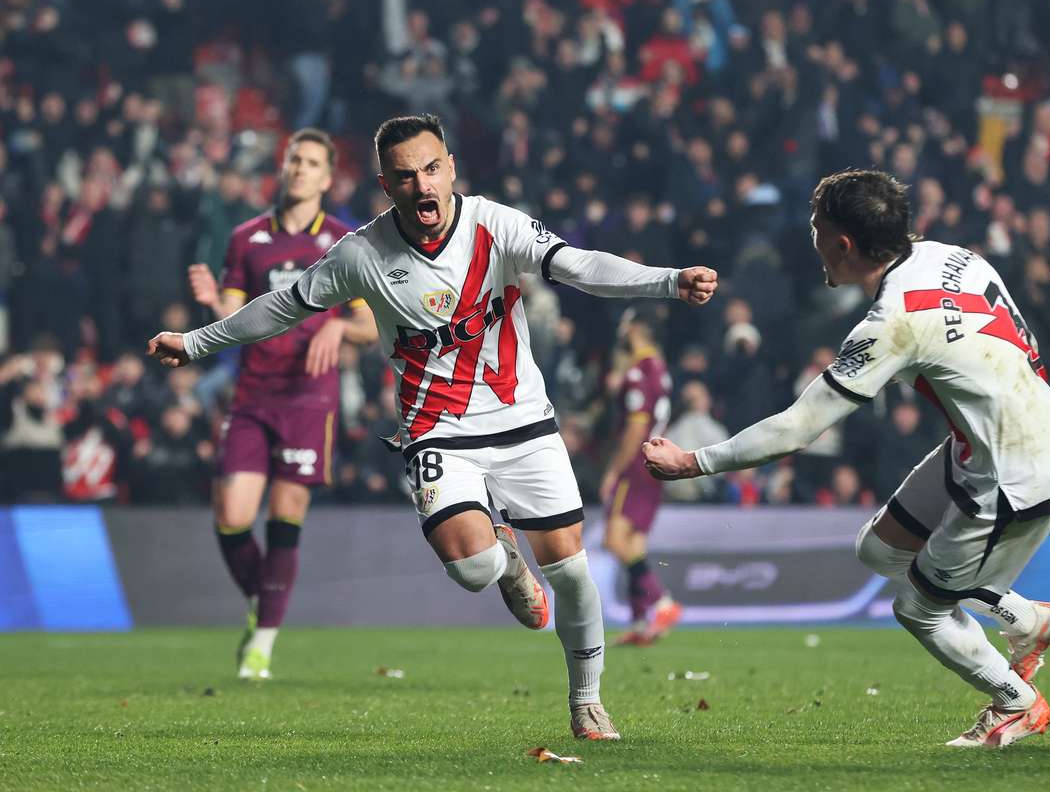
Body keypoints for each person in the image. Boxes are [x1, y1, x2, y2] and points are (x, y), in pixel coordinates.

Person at [149, 113, 718, 740]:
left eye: (430, 169)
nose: (422, 186)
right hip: (438, 428)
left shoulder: (495, 225)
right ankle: (504, 562)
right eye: (404, 177)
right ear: (385, 186)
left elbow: (579, 266)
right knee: (472, 568)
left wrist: (666, 281)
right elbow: (282, 307)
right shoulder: (361, 253)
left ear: (449, 167)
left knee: (573, 574)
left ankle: (586, 701)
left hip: (524, 420)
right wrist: (198, 343)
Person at [644, 169, 1050, 749]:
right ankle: (1027, 619)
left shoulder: (892, 321)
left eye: (816, 227)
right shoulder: (953, 257)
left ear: (843, 244)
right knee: (877, 548)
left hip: (1013, 475)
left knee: (920, 610)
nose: (812, 237)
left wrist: (692, 461)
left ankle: (1016, 703)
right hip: (993, 440)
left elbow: (798, 428)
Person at [187, 128, 379, 681]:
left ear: (326, 177)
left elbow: (370, 322)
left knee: (286, 514)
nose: (299, 168)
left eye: (312, 162)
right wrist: (210, 306)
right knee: (230, 517)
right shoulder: (246, 238)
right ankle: (264, 601)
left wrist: (340, 329)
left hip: (308, 397)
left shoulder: (348, 242)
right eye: (294, 159)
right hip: (253, 392)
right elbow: (230, 318)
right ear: (284, 167)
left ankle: (261, 645)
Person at [600, 307, 681, 646]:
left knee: (614, 542)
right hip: (654, 468)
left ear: (634, 330)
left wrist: (614, 470)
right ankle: (638, 623)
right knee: (635, 546)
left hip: (635, 465)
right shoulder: (661, 371)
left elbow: (636, 426)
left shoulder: (637, 373)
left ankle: (663, 603)